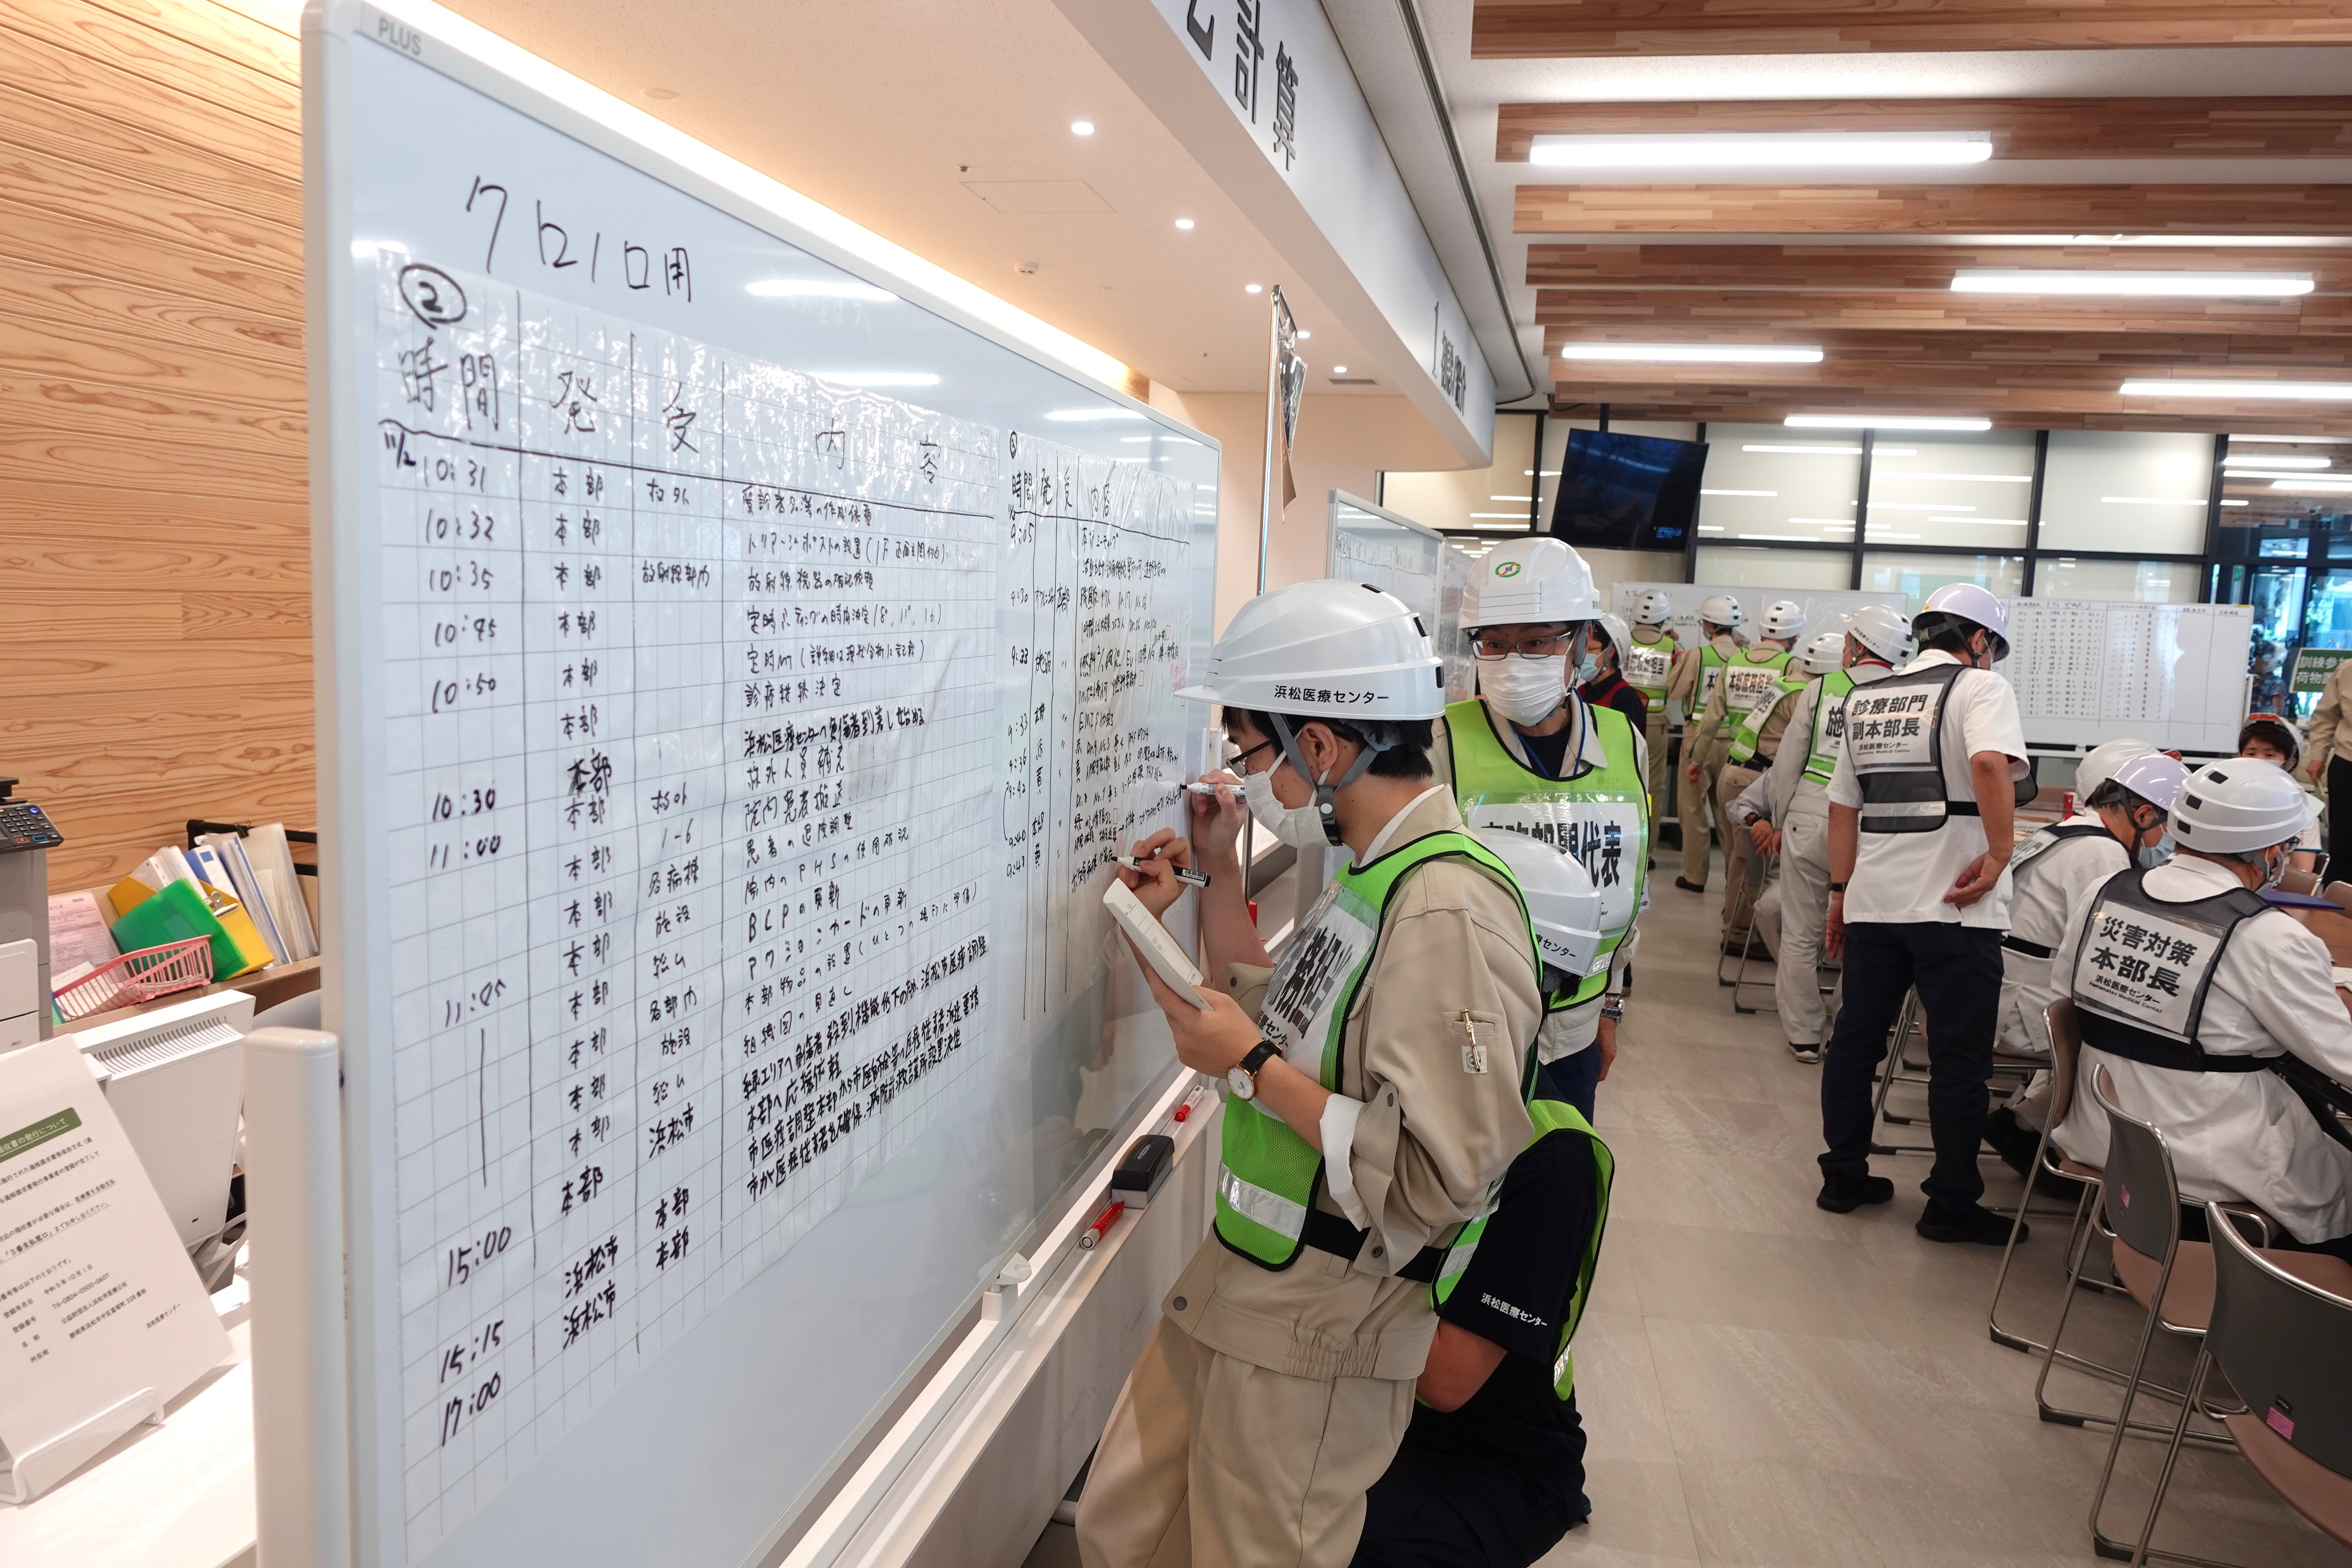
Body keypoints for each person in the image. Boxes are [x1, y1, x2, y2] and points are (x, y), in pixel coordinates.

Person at [1077, 579, 1546, 1568]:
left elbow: (1439, 1174)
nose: (1248, 776)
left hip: (1322, 1324)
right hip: (1251, 1283)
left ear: (1321, 747)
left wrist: (1246, 1061)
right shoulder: (1371, 875)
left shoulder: (1441, 910)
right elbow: (1286, 1025)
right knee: (1130, 1526)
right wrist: (1210, 873)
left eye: (1254, 750)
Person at [2051, 757, 2352, 1264]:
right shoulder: (2269, 936)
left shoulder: (2106, 894)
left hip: (2107, 1132)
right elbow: (2340, 1057)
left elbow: (2065, 996)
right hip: (2206, 1155)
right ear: (2271, 852)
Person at [1816, 583, 2034, 1245]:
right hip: (1954, 907)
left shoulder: (1866, 697)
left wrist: (1839, 893)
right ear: (1976, 640)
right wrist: (2000, 854)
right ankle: (1951, 1203)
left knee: (1857, 1044)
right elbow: (1993, 764)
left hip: (1876, 901)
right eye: (1990, 648)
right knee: (1958, 1059)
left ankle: (1844, 1176)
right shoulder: (1979, 690)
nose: (1990, 660)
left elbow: (1842, 806)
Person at [1351, 1073, 1612, 1568]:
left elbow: (1450, 1380)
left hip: (1488, 1455)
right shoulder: (1393, 1099)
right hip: (1373, 1406)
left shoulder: (1549, 1160)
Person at [1434, 539, 1649, 1121]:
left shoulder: (1625, 741)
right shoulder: (1442, 740)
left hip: (1575, 1030)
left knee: (1557, 1186)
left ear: (1581, 641)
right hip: (1469, 1033)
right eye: (1496, 644)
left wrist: (1611, 1009)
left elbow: (1630, 884)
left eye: (1537, 643)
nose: (1513, 663)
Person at [1980, 747, 2188, 1175]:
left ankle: (2026, 1122)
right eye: (2166, 822)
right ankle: (2036, 1134)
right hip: (2021, 1009)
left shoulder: (2066, 830)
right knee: (2123, 1042)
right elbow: (2103, 951)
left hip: (1994, 988)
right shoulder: (2103, 856)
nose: (2166, 836)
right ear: (2143, 814)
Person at [1760, 606, 1907, 1063]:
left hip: (1810, 813)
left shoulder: (1821, 689)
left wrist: (1781, 820)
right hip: (1873, 827)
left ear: (1858, 646)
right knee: (1863, 935)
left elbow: (1787, 766)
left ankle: (1803, 1034)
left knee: (1801, 932)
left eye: (1847, 640)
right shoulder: (1905, 695)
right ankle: (1849, 1029)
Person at [1712, 610, 1817, 956]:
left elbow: (1715, 713)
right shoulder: (1804, 691)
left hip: (1734, 771)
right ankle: (1738, 935)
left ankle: (1733, 923)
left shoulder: (1784, 682)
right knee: (1749, 864)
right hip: (1757, 778)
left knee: (1737, 862)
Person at [1681, 599, 1801, 900]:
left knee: (1730, 834)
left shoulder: (1736, 663)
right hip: (1770, 771)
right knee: (1752, 849)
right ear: (1796, 637)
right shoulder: (1791, 666)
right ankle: (1742, 914)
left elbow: (1711, 717)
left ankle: (1730, 908)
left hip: (1735, 763)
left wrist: (1697, 758)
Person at [1664, 594, 1743, 893]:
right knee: (1729, 815)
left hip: (1698, 738)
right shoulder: (1743, 658)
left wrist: (1680, 662)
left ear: (1709, 625)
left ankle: (1695, 876)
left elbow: (1675, 691)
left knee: (1693, 810)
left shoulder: (1697, 655)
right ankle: (1734, 877)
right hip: (1734, 742)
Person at [1620, 591, 1678, 856]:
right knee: (1652, 787)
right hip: (1655, 724)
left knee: (1616, 781)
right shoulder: (1673, 648)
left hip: (1618, 719)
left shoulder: (1621, 642)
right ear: (1664, 619)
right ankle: (1648, 851)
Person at [2239, 713, 2326, 875]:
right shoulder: (2222, 799)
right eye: (2251, 753)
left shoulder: (2304, 810)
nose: (2258, 760)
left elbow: (2302, 876)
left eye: (2270, 755)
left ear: (2289, 763)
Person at [2304, 662, 2352, 876]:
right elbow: (2326, 717)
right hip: (2348, 763)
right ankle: (2336, 901)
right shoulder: (2347, 670)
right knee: (2343, 840)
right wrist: (2318, 757)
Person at [1577, 612, 1648, 736]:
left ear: (1610, 653)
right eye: (1581, 648)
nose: (1583, 655)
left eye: (1590, 649)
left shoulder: (1625, 698)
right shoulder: (1582, 691)